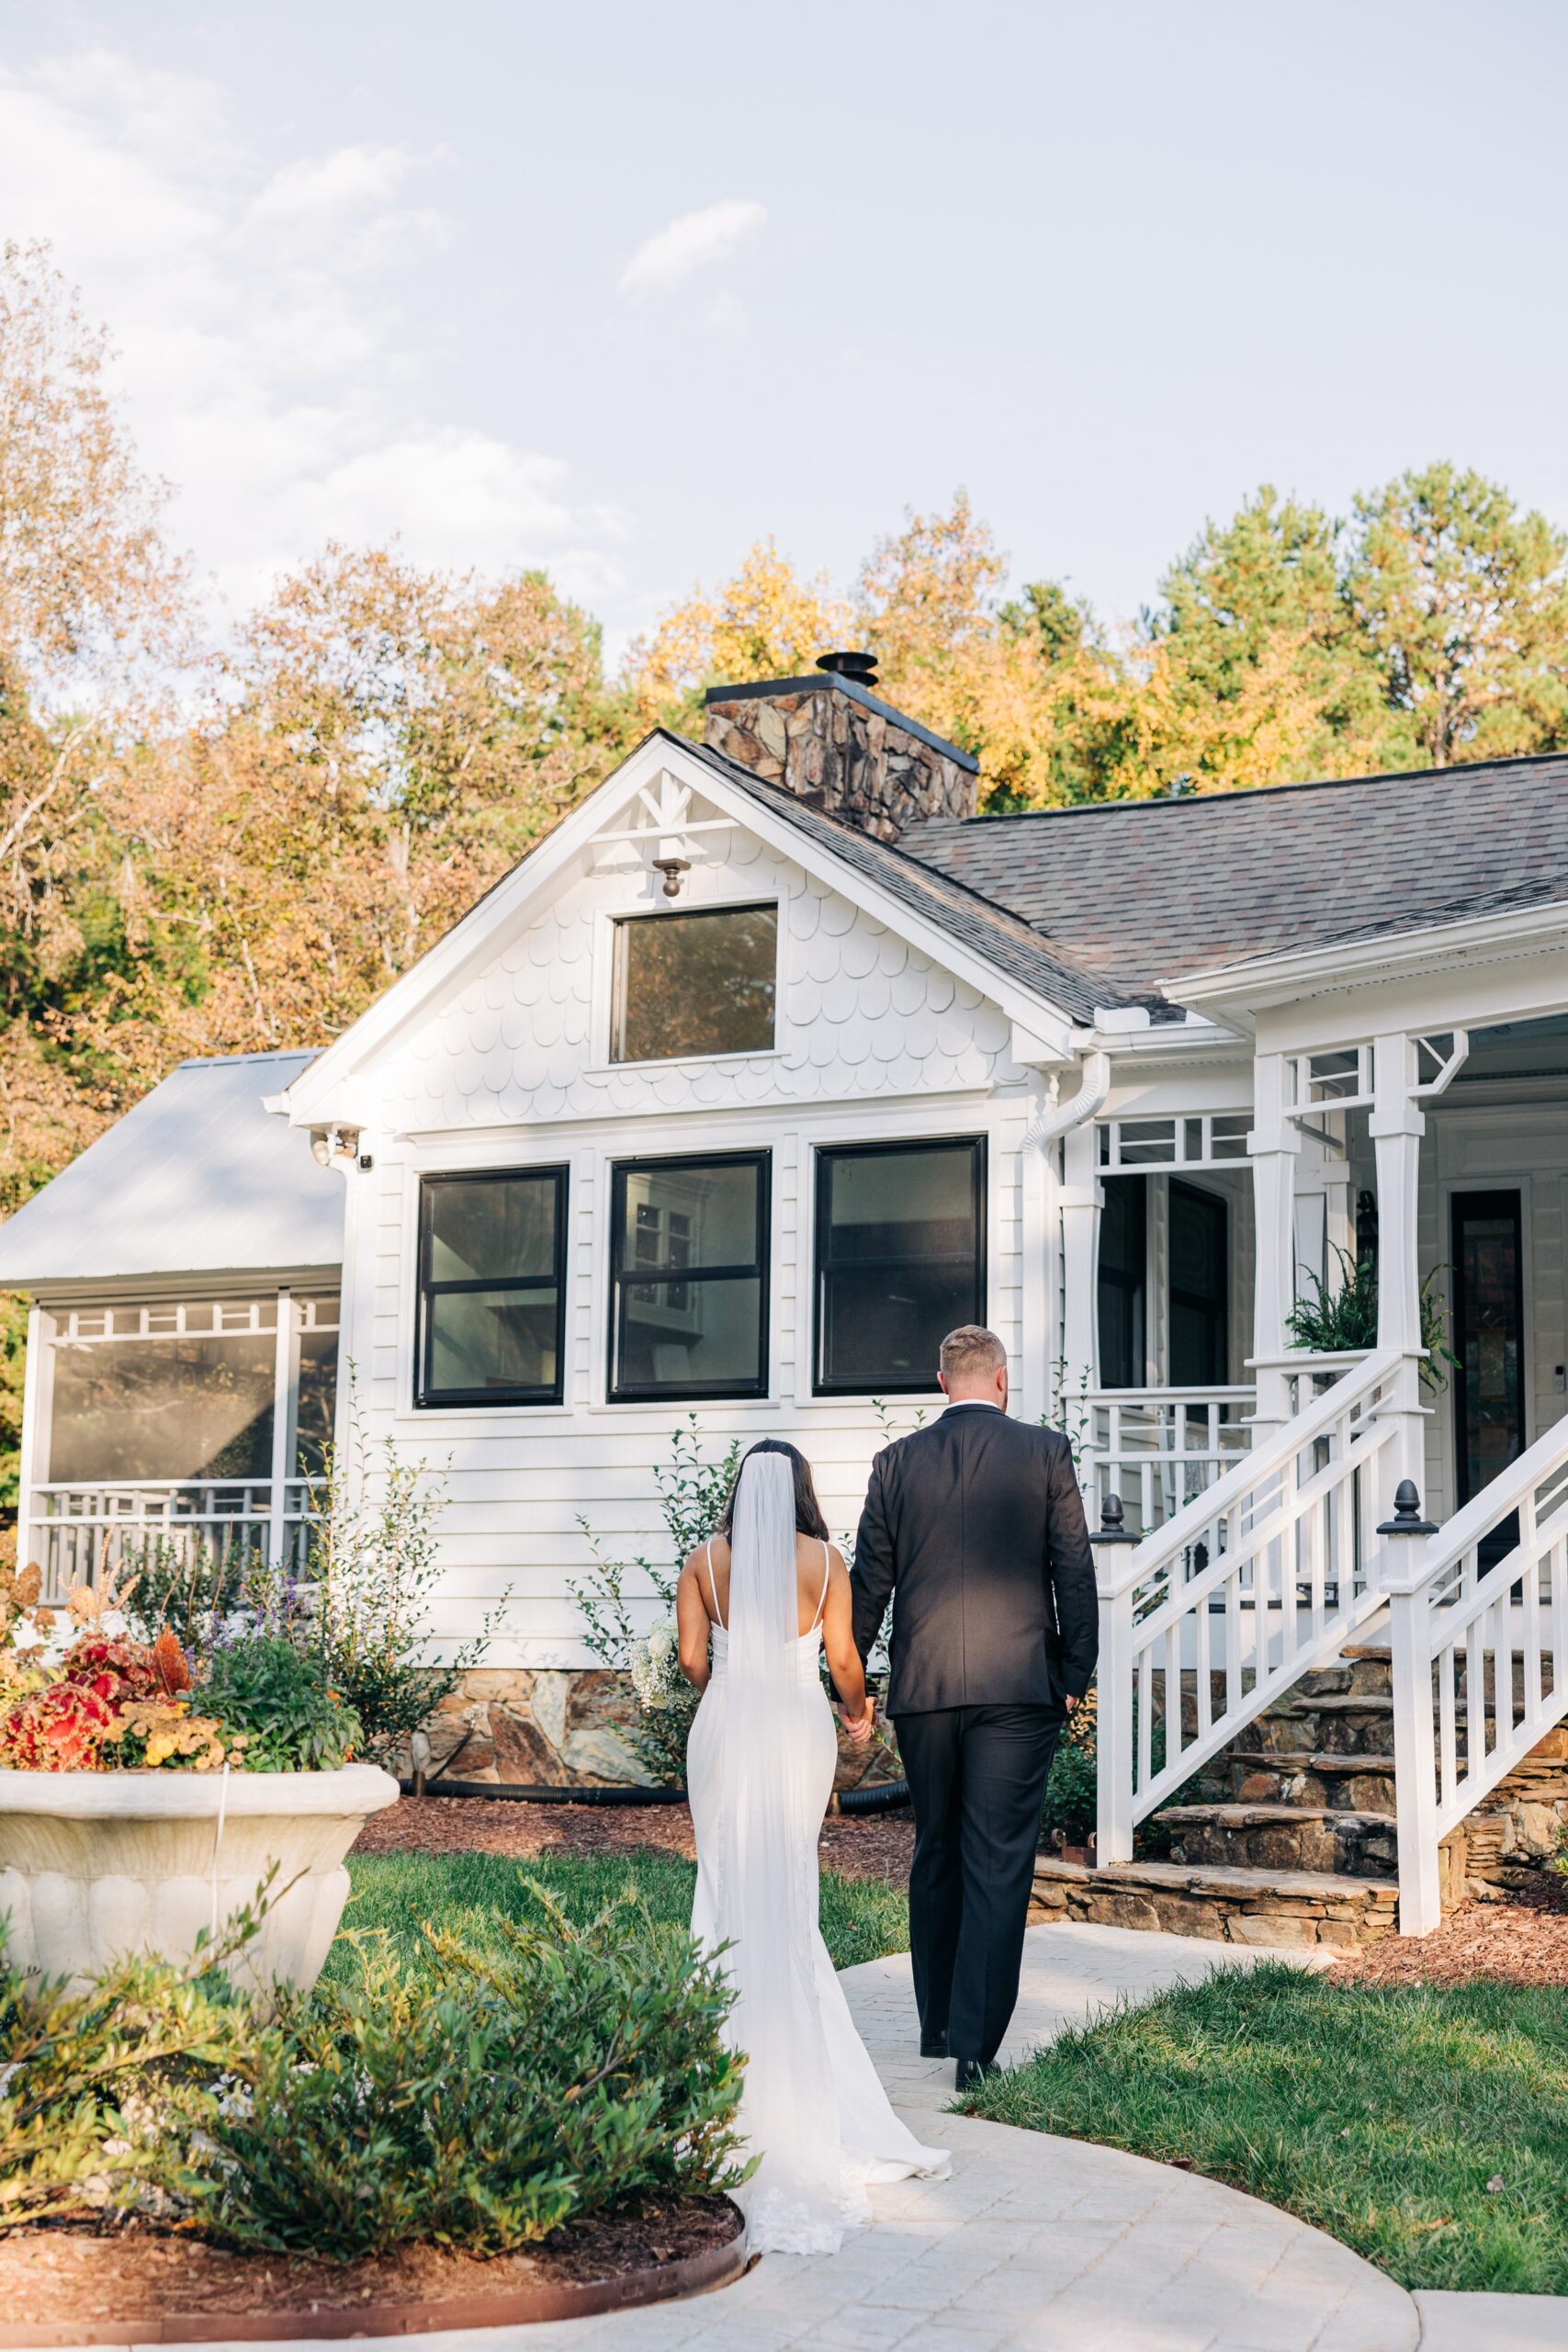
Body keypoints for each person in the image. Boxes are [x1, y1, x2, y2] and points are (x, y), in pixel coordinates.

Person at [678, 1440, 948, 2255]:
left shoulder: (702, 1561)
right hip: (798, 1726)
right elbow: (842, 1661)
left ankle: (714, 2081)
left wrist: (731, 1680)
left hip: (725, 1726)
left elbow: (692, 1660)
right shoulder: (826, 1562)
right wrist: (857, 1712)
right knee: (790, 1891)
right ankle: (798, 2085)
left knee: (721, 1881)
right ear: (800, 1489)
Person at [848, 1327, 1098, 2089]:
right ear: (1001, 1381)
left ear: (939, 1382)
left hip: (924, 1691)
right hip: (1017, 1686)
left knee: (936, 1850)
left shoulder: (895, 1463)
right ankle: (973, 2051)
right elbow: (1072, 1570)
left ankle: (937, 2024)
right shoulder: (1045, 1452)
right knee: (997, 1860)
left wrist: (847, 1682)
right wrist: (1073, 1672)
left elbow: (870, 1582)